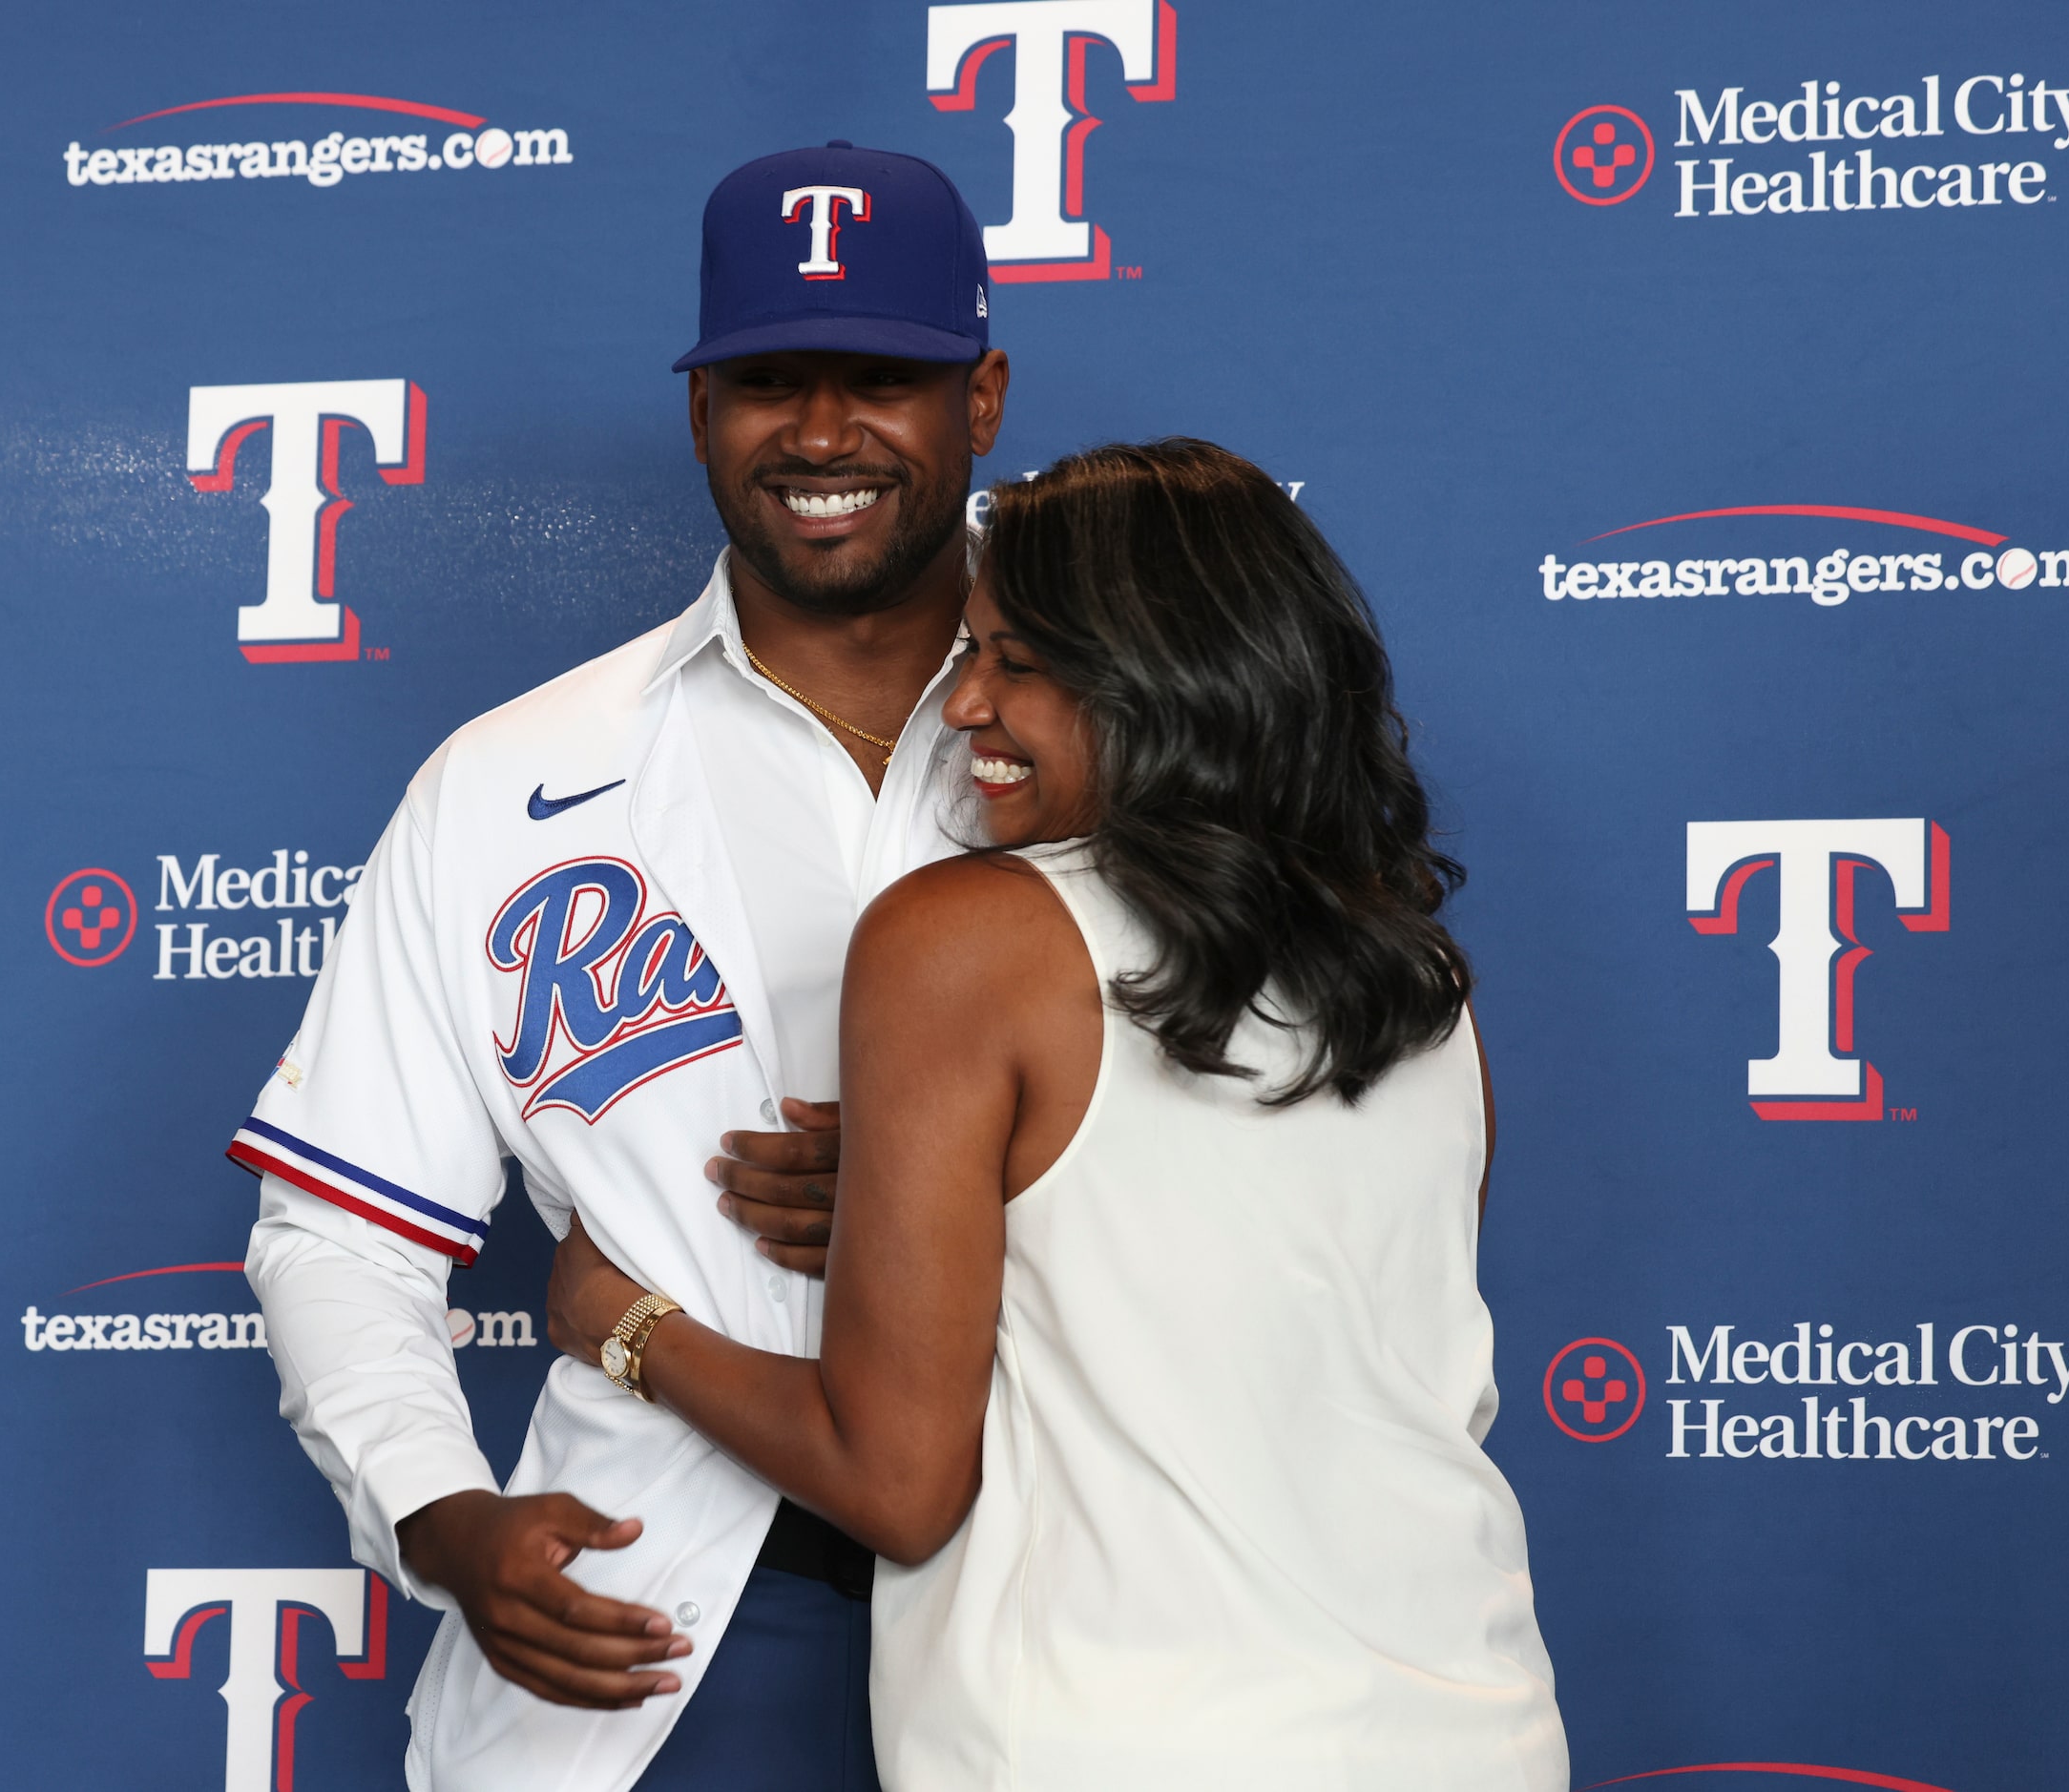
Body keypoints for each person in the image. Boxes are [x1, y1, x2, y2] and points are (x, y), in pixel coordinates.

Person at [543, 440, 1571, 1790]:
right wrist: (949, 1188)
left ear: (1170, 670)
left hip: (1120, 1745)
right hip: (1474, 1731)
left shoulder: (960, 936)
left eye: (1015, 660)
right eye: (970, 649)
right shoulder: (1426, 984)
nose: (961, 703)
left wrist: (621, 1320)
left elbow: (896, 1478)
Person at [228, 142, 1008, 1791]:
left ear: (982, 399)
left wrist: (974, 1169)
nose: (819, 432)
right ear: (701, 408)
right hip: (670, 1617)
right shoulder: (508, 780)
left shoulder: (1145, 752)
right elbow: (341, 1227)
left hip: (1064, 1589)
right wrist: (440, 1512)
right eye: (764, 383)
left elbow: (1315, 1148)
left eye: (880, 376)